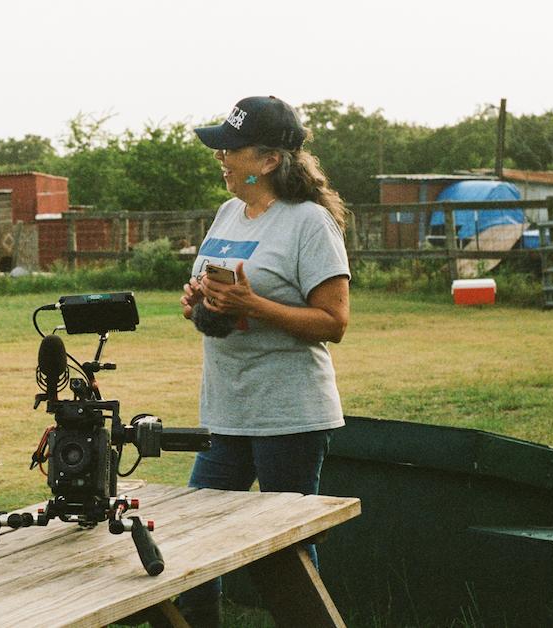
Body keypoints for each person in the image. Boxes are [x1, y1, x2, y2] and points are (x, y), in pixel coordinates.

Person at [177, 95, 350, 626]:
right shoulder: (230, 211)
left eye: (232, 148)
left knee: (283, 551)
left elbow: (334, 322)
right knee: (195, 541)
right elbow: (222, 296)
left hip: (289, 415)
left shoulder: (309, 224)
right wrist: (199, 301)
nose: (221, 158)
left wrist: (253, 305)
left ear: (269, 160)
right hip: (227, 411)